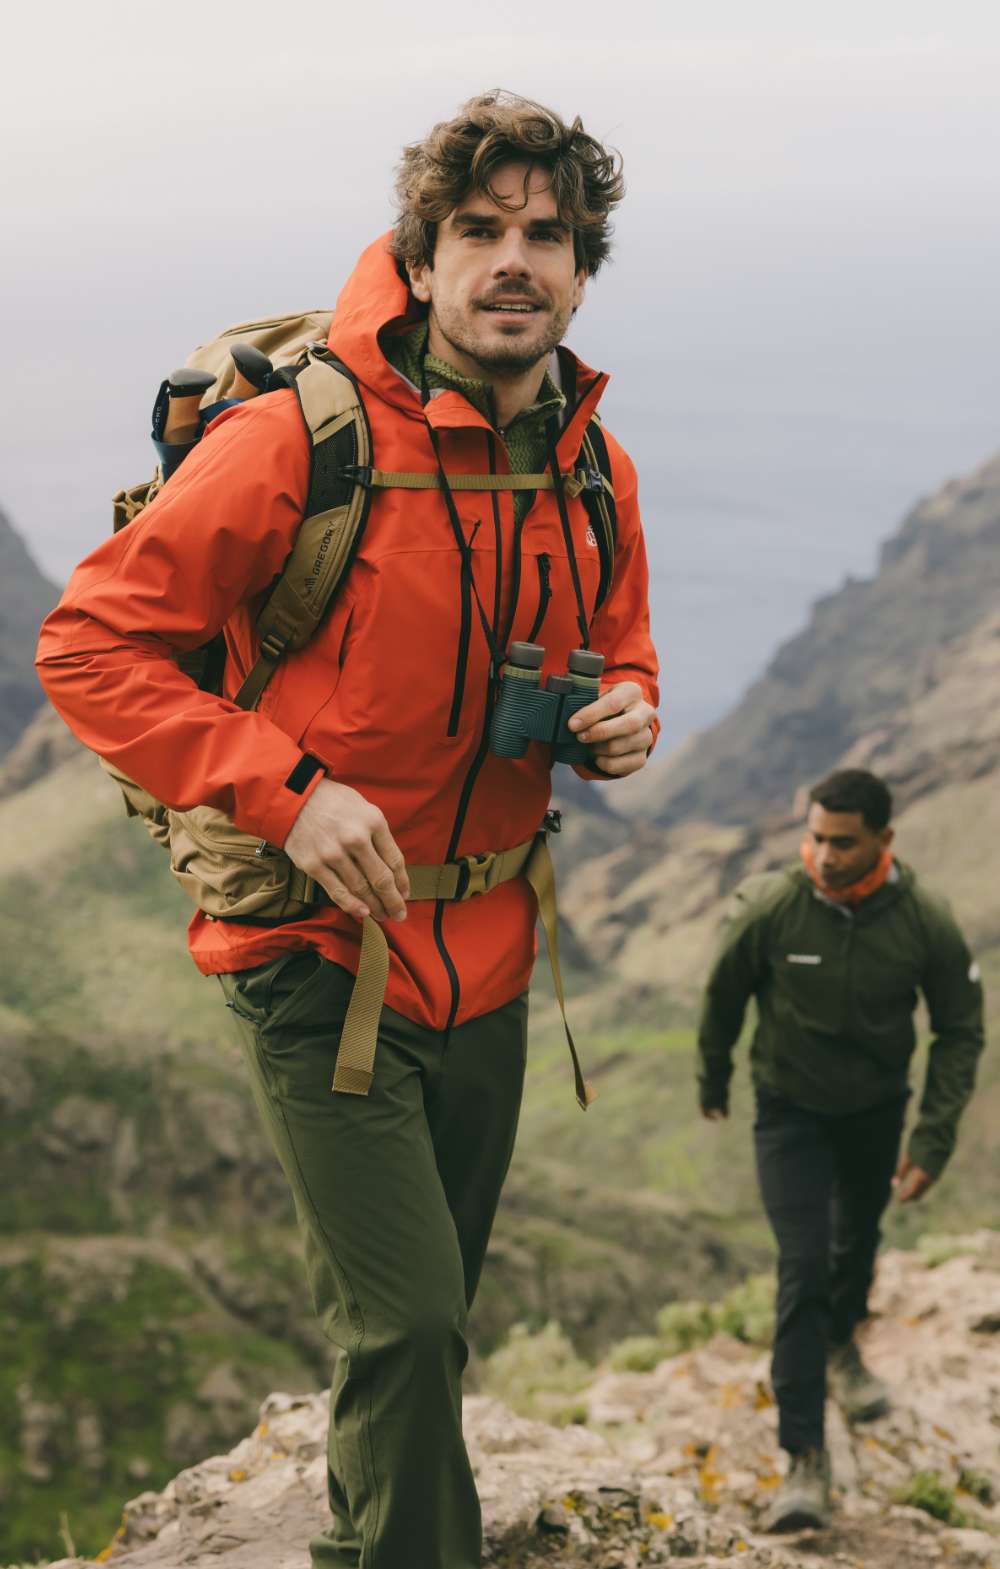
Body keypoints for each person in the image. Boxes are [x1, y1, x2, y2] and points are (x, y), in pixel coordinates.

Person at [36, 92, 659, 1569]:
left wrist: (626, 712)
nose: (515, 261)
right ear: (423, 254)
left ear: (582, 269)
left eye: (547, 237)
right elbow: (89, 646)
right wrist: (287, 790)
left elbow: (618, 646)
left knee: (420, 1336)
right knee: (409, 1317)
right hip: (316, 950)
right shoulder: (296, 443)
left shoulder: (590, 464)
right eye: (480, 230)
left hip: (494, 954)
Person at [697, 767, 984, 1533]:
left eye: (843, 842)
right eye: (816, 837)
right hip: (788, 1111)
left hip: (875, 1112)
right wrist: (713, 1075)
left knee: (856, 1246)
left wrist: (933, 1135)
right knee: (802, 1264)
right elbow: (723, 995)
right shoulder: (773, 905)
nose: (823, 855)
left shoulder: (924, 918)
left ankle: (843, 1347)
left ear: (884, 839)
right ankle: (804, 1460)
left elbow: (960, 1027)